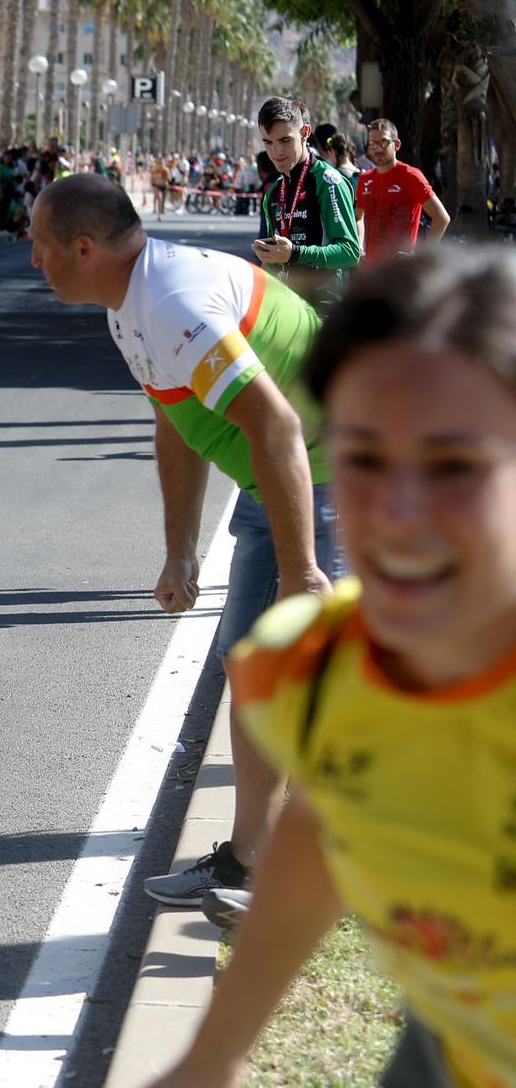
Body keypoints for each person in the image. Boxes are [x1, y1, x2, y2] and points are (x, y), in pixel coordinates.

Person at [147, 249, 516, 1088]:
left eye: (456, 465)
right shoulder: (314, 667)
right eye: (362, 456)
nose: (398, 513)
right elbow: (326, 820)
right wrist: (212, 1055)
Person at [30, 173, 339, 918]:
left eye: (40, 248)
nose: (34, 263)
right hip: (284, 486)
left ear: (82, 247)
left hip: (339, 473)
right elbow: (178, 421)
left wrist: (302, 570)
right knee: (254, 669)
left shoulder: (170, 302)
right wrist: (182, 549)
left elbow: (276, 427)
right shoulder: (131, 304)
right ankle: (250, 861)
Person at [255, 95, 361, 304]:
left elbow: (350, 252)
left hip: (322, 310)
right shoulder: (273, 191)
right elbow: (272, 263)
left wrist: (295, 253)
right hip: (285, 308)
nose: (276, 152)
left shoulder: (328, 181)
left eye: (285, 140)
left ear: (305, 133)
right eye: (268, 142)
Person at [356, 117, 449, 265]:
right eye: (373, 143)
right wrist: (359, 248)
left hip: (402, 272)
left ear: (396, 144)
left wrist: (419, 256)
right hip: (371, 271)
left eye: (383, 142)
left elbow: (442, 217)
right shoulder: (364, 179)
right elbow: (358, 217)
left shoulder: (411, 176)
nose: (378, 148)